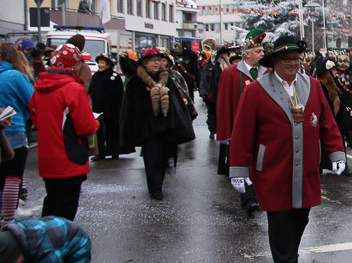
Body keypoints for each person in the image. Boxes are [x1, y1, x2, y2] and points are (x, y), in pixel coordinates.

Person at [228, 36, 345, 263]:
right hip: (272, 170)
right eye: (286, 60)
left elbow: (327, 123)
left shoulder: (313, 86)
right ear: (275, 62)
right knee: (280, 223)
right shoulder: (256, 91)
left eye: (296, 60)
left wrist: (336, 152)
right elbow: (243, 132)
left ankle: (287, 258)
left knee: (300, 218)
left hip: (306, 170)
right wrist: (238, 169)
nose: (293, 64)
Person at [29, 45, 99, 219]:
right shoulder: (73, 89)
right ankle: (59, 243)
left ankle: (45, 241)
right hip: (69, 156)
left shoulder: (38, 89)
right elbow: (86, 126)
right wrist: (96, 123)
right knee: (66, 210)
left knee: (51, 201)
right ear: (73, 65)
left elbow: (36, 120)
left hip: (47, 157)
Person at [119, 47, 196, 201]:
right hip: (147, 128)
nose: (156, 63)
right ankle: (154, 189)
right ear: (145, 63)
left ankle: (158, 185)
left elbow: (176, 101)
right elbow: (129, 107)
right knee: (152, 159)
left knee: (163, 159)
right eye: (153, 60)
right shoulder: (136, 81)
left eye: (159, 60)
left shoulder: (167, 78)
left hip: (165, 127)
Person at [0, 44, 34, 229]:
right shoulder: (15, 76)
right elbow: (32, 101)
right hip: (14, 128)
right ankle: (9, 222)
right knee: (13, 178)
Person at [216, 32, 265, 212]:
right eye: (258, 51)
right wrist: (225, 132)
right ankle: (249, 198)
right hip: (241, 129)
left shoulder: (267, 72)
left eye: (262, 51)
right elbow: (224, 103)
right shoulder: (230, 73)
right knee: (244, 162)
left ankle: (260, 195)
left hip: (264, 129)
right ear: (247, 54)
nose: (262, 54)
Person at [314, 61, 352, 177]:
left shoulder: (334, 83)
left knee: (339, 141)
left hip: (336, 119)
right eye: (333, 70)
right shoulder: (320, 85)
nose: (336, 72)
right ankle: (321, 165)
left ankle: (341, 165)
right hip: (327, 119)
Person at [88, 54, 125, 161]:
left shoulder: (114, 76)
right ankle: (101, 153)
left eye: (102, 63)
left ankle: (115, 151)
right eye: (99, 62)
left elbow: (118, 93)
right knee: (99, 132)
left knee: (113, 131)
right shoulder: (96, 76)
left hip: (112, 109)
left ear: (108, 64)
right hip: (98, 109)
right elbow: (91, 90)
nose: (100, 65)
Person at [202, 43, 239, 141]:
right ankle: (213, 130)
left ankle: (219, 130)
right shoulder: (215, 64)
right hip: (213, 93)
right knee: (213, 113)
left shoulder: (227, 64)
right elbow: (206, 78)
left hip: (220, 93)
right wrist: (204, 92)